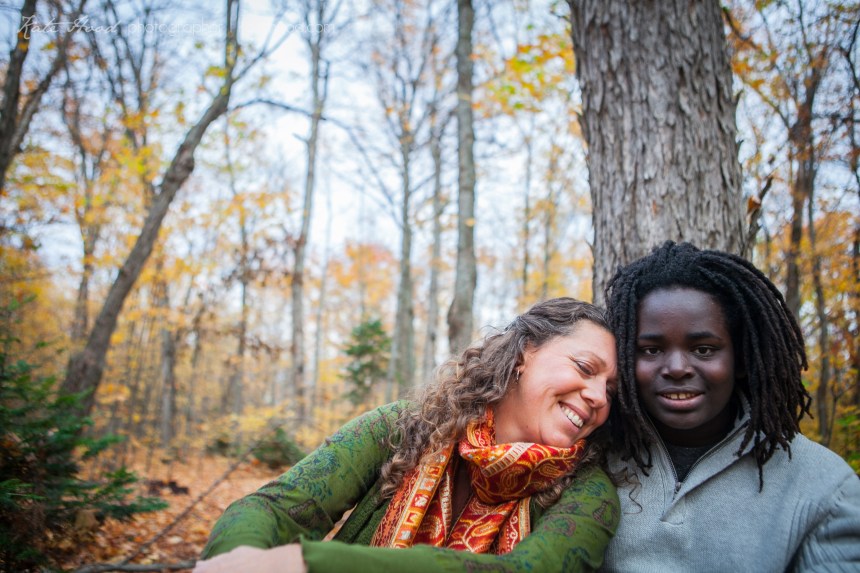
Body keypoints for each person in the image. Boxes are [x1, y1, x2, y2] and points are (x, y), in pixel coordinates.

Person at [194, 297, 620, 573]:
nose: (599, 396)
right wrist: (239, 559)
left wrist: (313, 563)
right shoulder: (405, 427)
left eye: (612, 391)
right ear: (527, 352)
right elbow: (274, 508)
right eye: (585, 368)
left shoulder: (589, 495)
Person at [601, 241, 860, 572]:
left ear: (740, 358)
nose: (677, 367)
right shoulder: (588, 458)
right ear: (624, 356)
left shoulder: (822, 487)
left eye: (704, 349)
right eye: (651, 350)